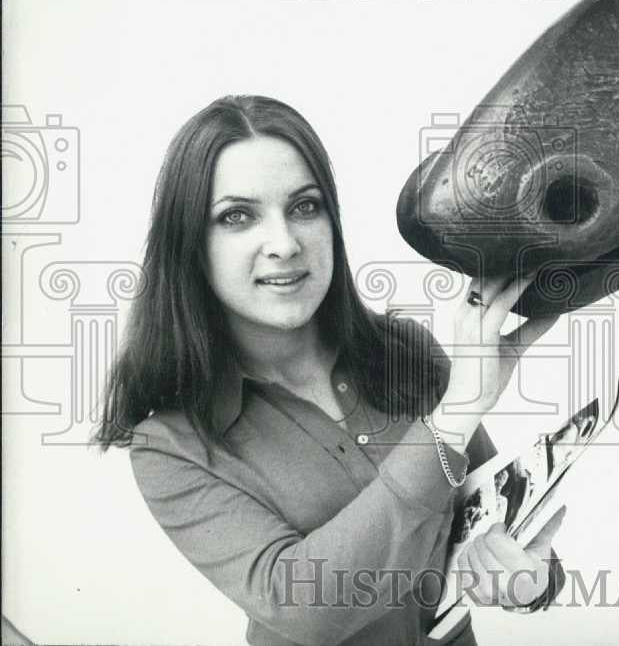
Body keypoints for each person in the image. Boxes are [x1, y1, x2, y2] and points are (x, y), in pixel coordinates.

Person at [93, 95, 565, 646]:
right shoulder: (170, 445)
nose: (285, 244)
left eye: (304, 207)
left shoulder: (405, 349)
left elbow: (494, 526)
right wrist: (456, 414)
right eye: (237, 216)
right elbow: (303, 606)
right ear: (192, 248)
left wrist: (529, 579)